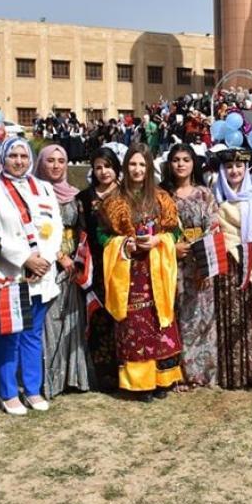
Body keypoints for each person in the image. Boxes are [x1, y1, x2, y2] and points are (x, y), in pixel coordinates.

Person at [0, 136, 62, 415]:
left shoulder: (43, 187)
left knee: (33, 334)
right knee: (11, 333)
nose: (18, 161)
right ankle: (7, 391)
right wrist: (24, 259)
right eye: (13, 156)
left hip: (42, 273)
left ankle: (32, 388)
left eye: (24, 156)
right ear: (2, 158)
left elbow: (56, 225)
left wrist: (46, 259)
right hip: (13, 272)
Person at [101, 144, 183, 401]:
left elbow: (175, 231)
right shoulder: (114, 201)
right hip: (129, 272)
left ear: (149, 167)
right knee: (134, 325)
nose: (137, 169)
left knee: (159, 321)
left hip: (157, 269)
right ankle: (139, 382)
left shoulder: (162, 198)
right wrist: (124, 244)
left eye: (142, 164)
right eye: (132, 164)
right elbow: (102, 235)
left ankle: (162, 378)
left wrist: (159, 239)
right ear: (126, 166)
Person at [34, 144, 92, 398]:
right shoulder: (34, 194)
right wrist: (59, 256)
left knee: (72, 321)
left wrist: (78, 259)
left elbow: (81, 229)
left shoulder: (74, 195)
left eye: (61, 160)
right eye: (50, 160)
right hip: (48, 266)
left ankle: (73, 377)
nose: (56, 165)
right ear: (41, 163)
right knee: (50, 323)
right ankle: (50, 380)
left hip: (73, 268)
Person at [160, 143, 220, 389]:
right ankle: (178, 373)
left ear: (194, 163)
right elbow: (156, 228)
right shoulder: (162, 195)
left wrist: (201, 255)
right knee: (177, 316)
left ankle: (202, 373)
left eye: (186, 159)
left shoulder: (205, 194)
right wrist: (171, 246)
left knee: (202, 317)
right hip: (172, 263)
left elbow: (214, 226)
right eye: (176, 160)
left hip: (200, 263)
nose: (181, 164)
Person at [212, 148, 252, 389]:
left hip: (249, 264)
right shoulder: (214, 196)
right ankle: (230, 373)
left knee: (249, 316)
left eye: (239, 166)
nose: (234, 171)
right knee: (227, 315)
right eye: (229, 167)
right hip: (226, 263)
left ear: (246, 169)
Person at [76, 147, 122, 391]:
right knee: (100, 317)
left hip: (124, 264)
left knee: (124, 315)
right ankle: (104, 375)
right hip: (96, 266)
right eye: (98, 167)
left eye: (108, 166)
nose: (104, 172)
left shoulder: (128, 193)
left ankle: (129, 370)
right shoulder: (84, 198)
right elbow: (81, 232)